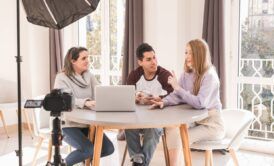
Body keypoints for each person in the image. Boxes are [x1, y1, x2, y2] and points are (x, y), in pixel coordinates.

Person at [151, 39, 225, 166]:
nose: (187, 57)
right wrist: (164, 101)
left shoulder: (210, 76)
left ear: (200, 54)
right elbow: (177, 96)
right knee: (172, 127)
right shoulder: (187, 74)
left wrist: (177, 87)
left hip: (212, 125)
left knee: (181, 137)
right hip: (196, 122)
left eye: (191, 53)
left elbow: (200, 103)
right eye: (186, 53)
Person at [54, 47, 114, 166]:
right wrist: (85, 102)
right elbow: (63, 99)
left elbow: (99, 92)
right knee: (88, 149)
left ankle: (84, 160)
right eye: (84, 58)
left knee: (108, 149)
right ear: (73, 61)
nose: (88, 61)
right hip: (68, 124)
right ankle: (61, 164)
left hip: (87, 123)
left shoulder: (89, 76)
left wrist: (110, 98)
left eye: (88, 57)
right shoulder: (62, 77)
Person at [125, 43, 174, 166]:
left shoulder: (164, 75)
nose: (153, 62)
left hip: (158, 118)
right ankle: (138, 158)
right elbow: (126, 96)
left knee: (153, 129)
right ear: (140, 62)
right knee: (128, 127)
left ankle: (140, 163)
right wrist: (135, 97)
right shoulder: (134, 75)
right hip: (137, 118)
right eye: (148, 59)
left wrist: (160, 98)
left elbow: (176, 95)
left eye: (154, 58)